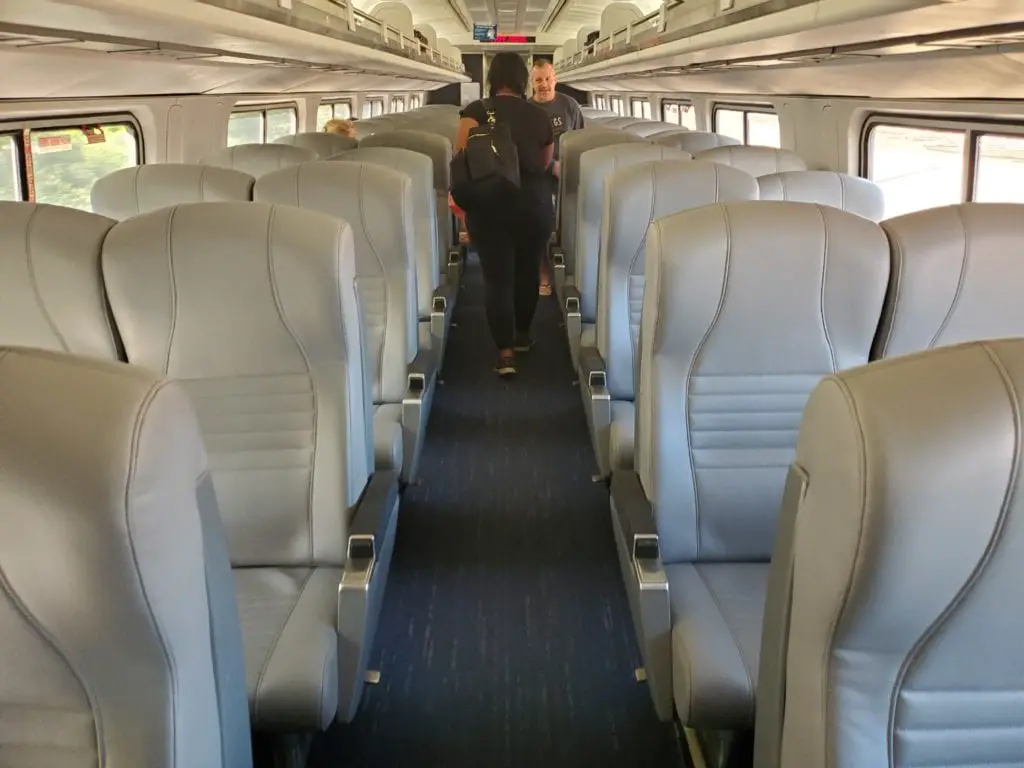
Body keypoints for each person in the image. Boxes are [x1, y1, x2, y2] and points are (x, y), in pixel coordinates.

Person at [455, 52, 556, 379]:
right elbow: (543, 166)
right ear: (522, 80)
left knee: (496, 279)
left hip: (489, 207)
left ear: (492, 79)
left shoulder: (473, 113)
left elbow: (462, 159)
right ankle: (523, 335)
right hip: (532, 205)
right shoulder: (540, 117)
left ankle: (505, 354)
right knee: (527, 272)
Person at [530, 59, 584, 295]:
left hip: (570, 172)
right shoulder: (526, 110)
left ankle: (572, 267)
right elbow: (523, 149)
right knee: (539, 222)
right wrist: (551, 165)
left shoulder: (570, 105)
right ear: (531, 83)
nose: (544, 84)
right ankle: (543, 273)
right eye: (538, 80)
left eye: (547, 78)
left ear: (555, 79)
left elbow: (582, 140)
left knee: (576, 218)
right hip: (537, 175)